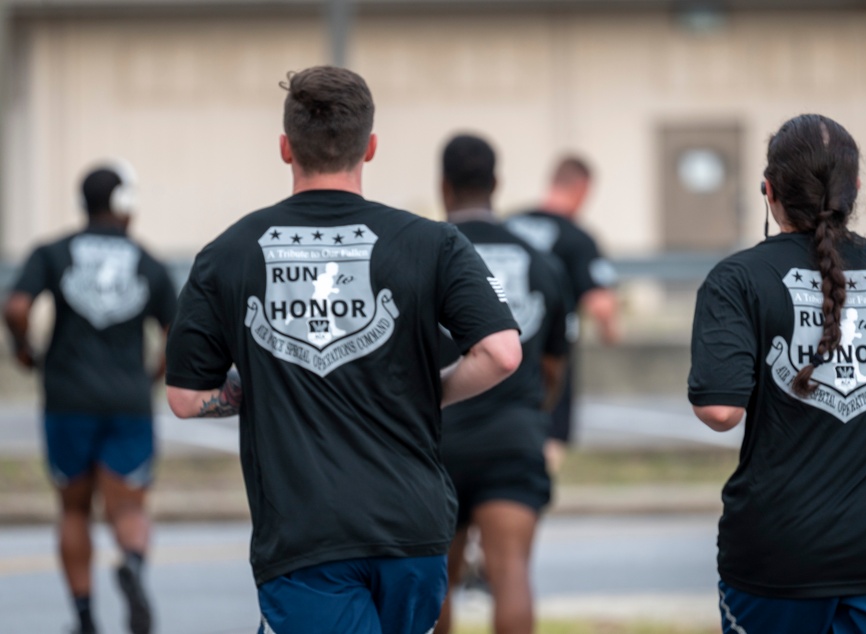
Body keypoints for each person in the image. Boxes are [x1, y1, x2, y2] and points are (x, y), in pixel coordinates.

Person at [163, 66, 522, 634]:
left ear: (286, 148)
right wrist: (434, 392)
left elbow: (185, 398)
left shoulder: (227, 253)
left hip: (307, 534)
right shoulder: (433, 243)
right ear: (370, 147)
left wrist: (258, 384)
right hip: (413, 529)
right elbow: (502, 352)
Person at [687, 113, 866, 634]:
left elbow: (719, 409)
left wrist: (798, 378)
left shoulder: (737, 280)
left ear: (768, 191)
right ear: (855, 189)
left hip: (780, 558)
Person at [3, 162, 176, 634]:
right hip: (127, 399)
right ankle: (134, 567)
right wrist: (151, 375)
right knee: (130, 507)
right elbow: (177, 333)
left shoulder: (52, 252)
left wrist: (23, 349)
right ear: (124, 206)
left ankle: (84, 619)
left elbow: (17, 306)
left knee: (74, 508)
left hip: (66, 397)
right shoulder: (149, 261)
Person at [433, 134, 569, 634]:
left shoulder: (424, 253)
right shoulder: (538, 259)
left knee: (433, 581)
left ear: (443, 185)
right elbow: (555, 364)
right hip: (512, 437)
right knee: (510, 572)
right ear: (496, 184)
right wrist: (535, 409)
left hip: (434, 441)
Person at [506, 156, 619, 471]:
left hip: (498, 353)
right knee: (543, 455)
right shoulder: (577, 238)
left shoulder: (508, 225)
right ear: (582, 189)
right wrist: (611, 331)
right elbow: (601, 303)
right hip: (549, 367)